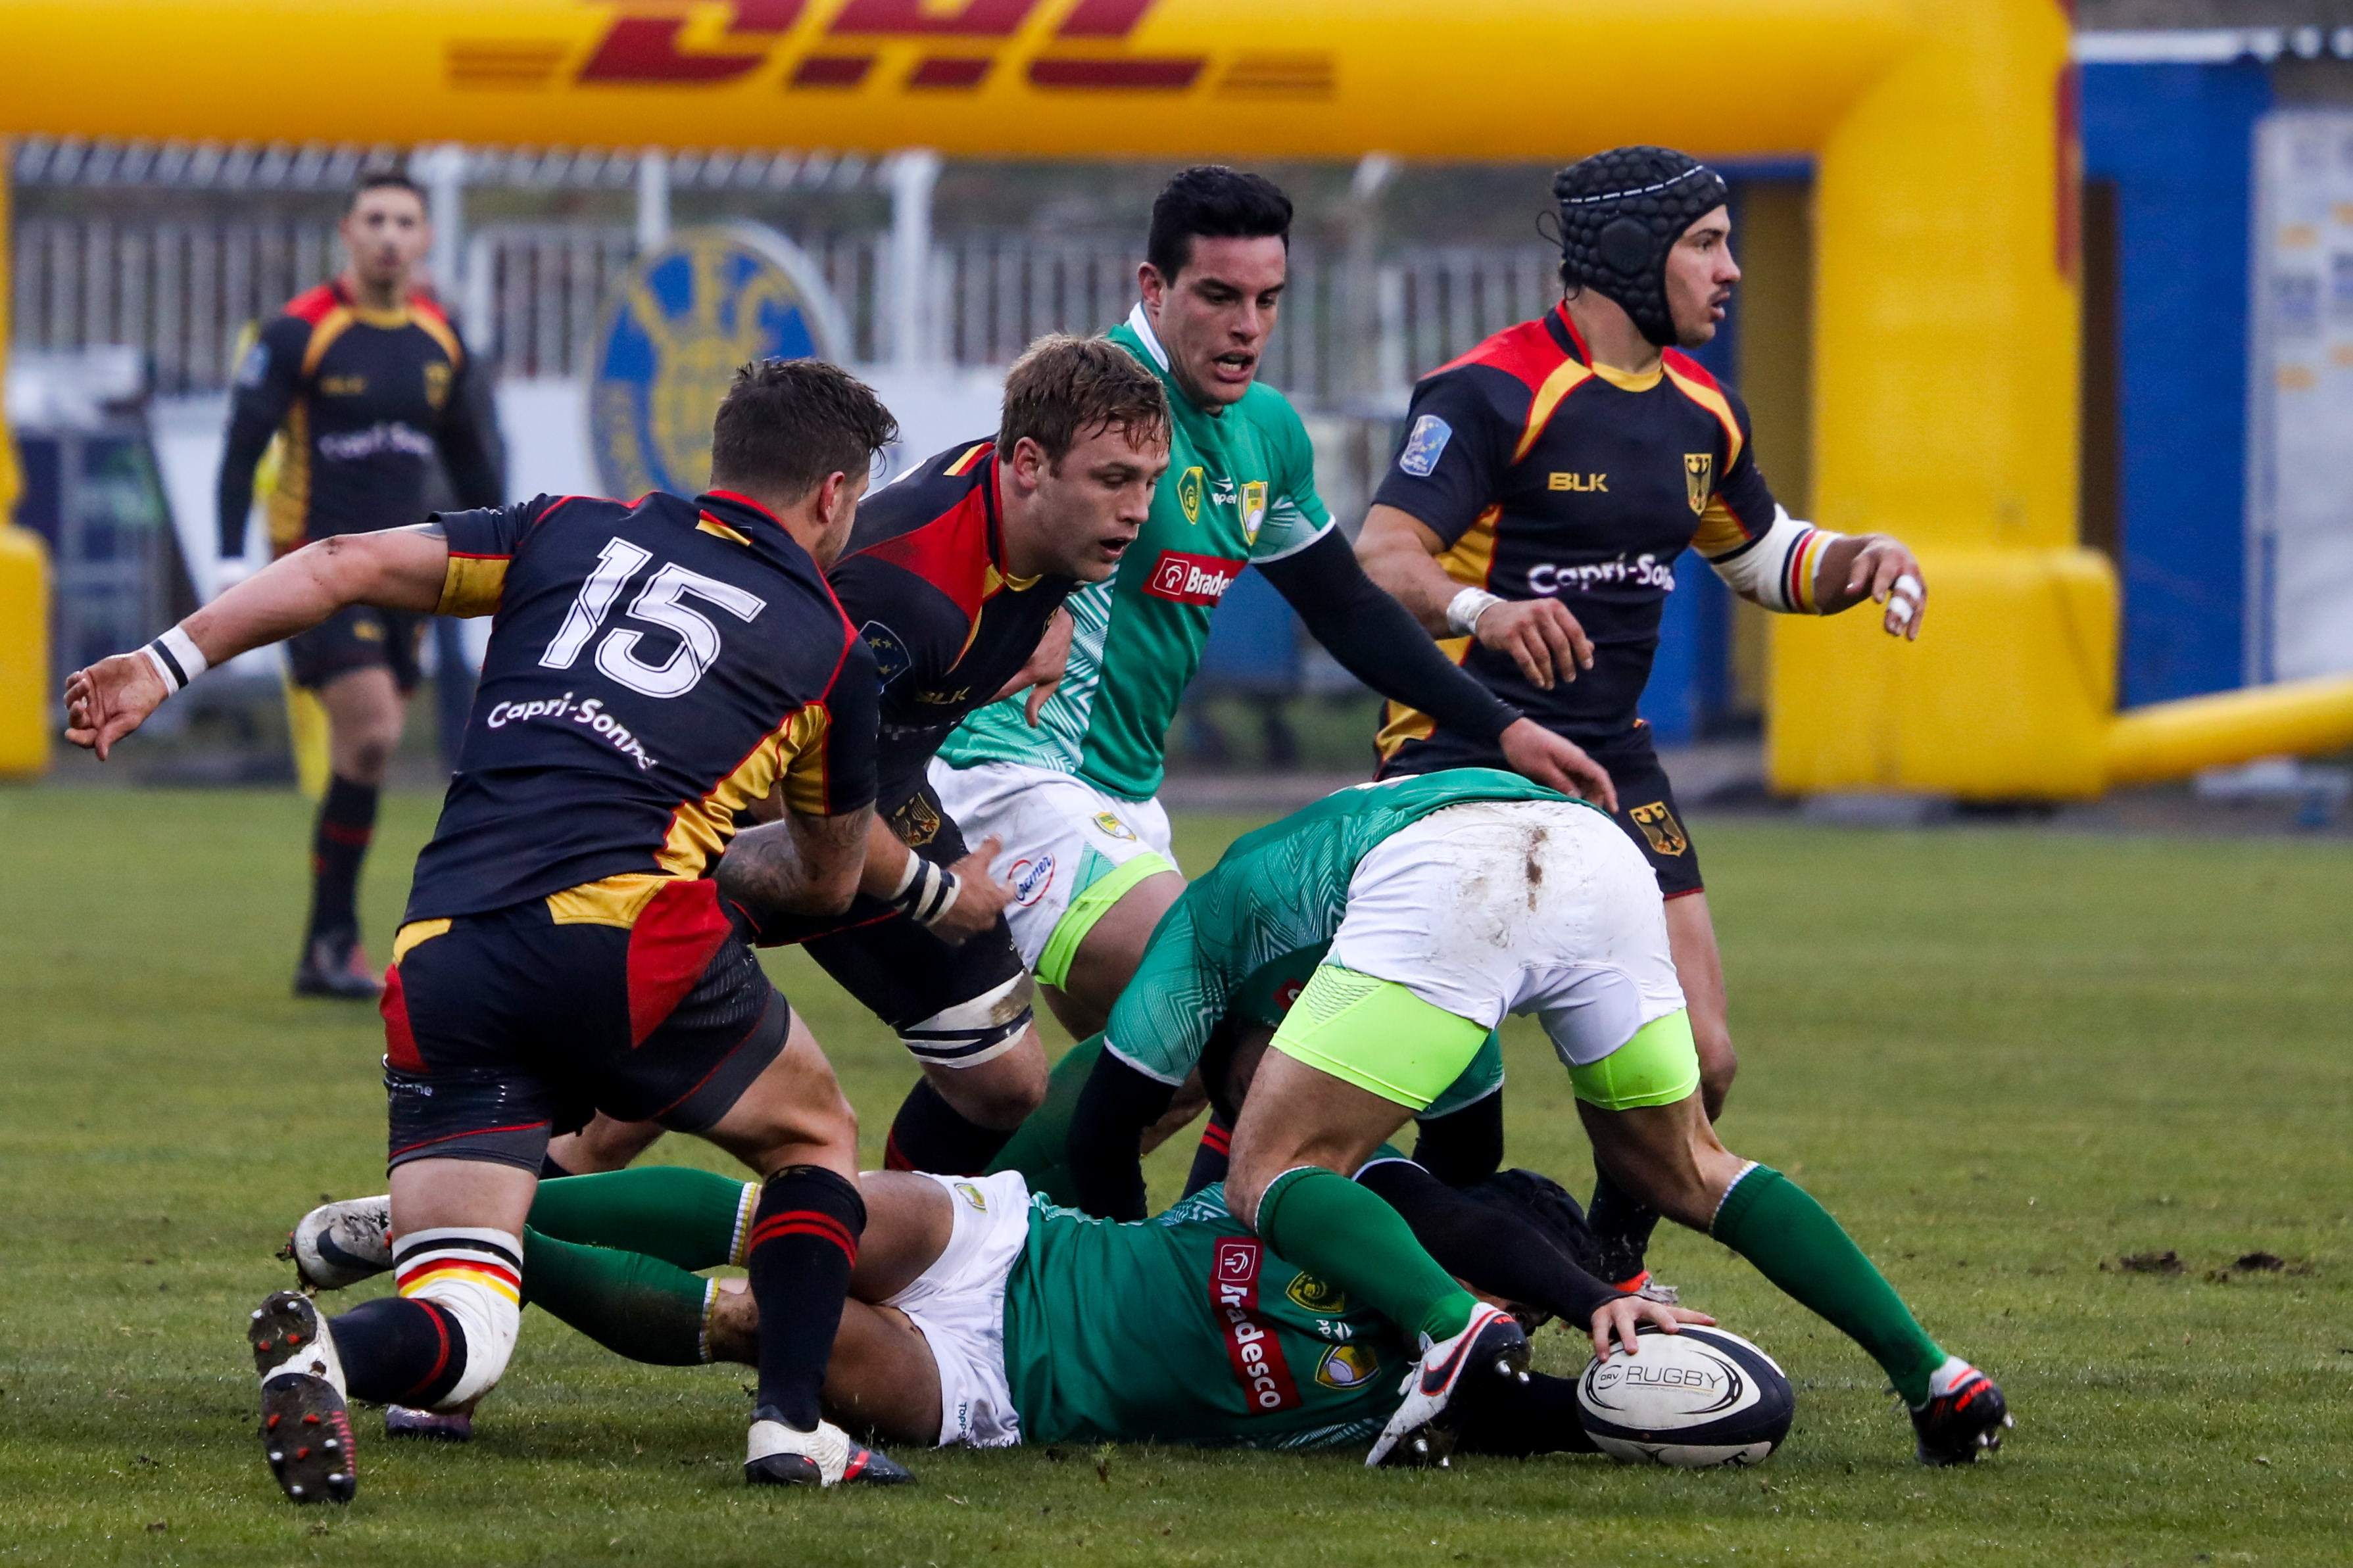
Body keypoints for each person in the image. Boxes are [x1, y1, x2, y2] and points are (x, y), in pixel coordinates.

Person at [67, 358, 913, 1498]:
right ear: (832, 494)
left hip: (446, 952)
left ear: (720, 460)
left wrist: (162, 662)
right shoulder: (830, 647)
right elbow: (827, 879)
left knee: (469, 1319)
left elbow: (341, 561)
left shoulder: (563, 529)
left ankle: (329, 1353)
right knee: (813, 1135)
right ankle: (792, 1429)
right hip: (624, 938)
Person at [1054, 772, 2011, 1467]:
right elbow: (1463, 1165)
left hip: (1446, 871)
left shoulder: (1200, 941)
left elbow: (1101, 1134)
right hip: (1592, 853)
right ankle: (1934, 1377)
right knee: (1686, 1166)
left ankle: (1453, 1334)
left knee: (1265, 1171)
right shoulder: (1380, 978)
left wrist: (1133, 1281)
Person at [1353, 145, 1931, 1295]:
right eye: (1705, 244)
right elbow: (1380, 555)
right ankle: (1356, 1254)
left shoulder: (1703, 411)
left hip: (1611, 763)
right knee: (1423, 1076)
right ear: (1626, 250)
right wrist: (1482, 610)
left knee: (1703, 1062)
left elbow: (1764, 558)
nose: (1730, 270)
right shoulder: (1488, 391)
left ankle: (1607, 1267)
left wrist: (1858, 558)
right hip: (1457, 751)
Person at [932, 166, 1617, 1043]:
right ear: (1154, 288)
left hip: (1125, 792)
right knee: (1228, 1014)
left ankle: (1005, 1149)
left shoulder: (1265, 431)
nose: (1246, 326)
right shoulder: (1089, 401)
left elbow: (1343, 606)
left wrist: (1504, 727)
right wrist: (1026, 605)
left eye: (1267, 300)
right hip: (1015, 768)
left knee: (1136, 1079)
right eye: (1218, 297)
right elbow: (960, 516)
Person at [554, 334, 1172, 1181]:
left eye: (1150, 482)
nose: (1137, 509)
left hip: (887, 792)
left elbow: (1031, 575)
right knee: (648, 1086)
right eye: (1115, 480)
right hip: (749, 815)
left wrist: (1051, 620)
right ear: (1029, 464)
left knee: (1003, 1085)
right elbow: (781, 779)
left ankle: (902, 1248)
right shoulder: (902, 594)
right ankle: (472, 1214)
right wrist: (920, 887)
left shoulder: (1045, 513)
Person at [283, 1160, 1700, 1463]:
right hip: (1014, 1248)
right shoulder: (1379, 1217)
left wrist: (1636, 1346)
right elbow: (1437, 1214)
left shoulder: (1424, 1403)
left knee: (748, 1319)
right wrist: (1571, 1294)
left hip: (999, 1391)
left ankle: (462, 1240)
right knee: (806, 1208)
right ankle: (475, 1204)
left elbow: (1588, 1426)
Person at [216, 171, 504, 999]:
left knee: (363, 755)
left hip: (403, 576)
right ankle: (333, 941)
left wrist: (512, 557)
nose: (388, 235)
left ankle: (326, 944)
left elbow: (475, 464)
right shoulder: (300, 331)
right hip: (313, 570)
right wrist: (233, 563)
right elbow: (242, 445)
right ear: (346, 231)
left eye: (403, 222)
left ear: (425, 239)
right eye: (373, 219)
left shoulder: (441, 340)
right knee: (375, 730)